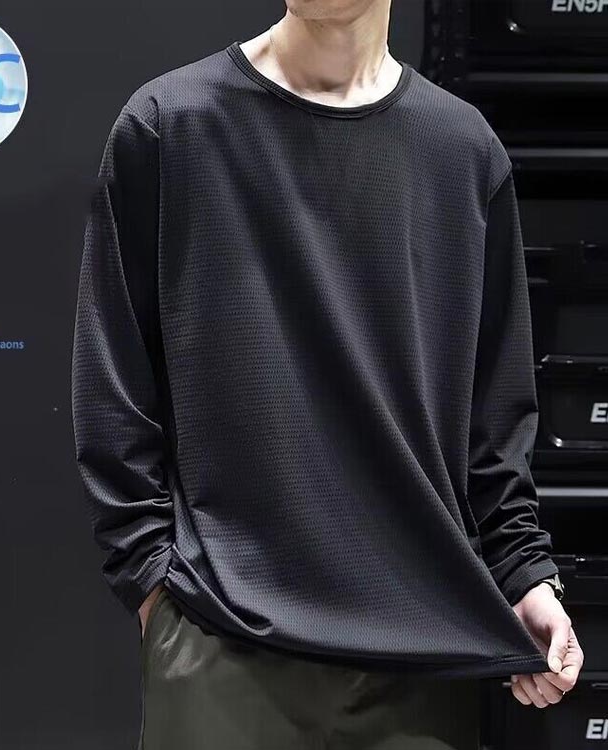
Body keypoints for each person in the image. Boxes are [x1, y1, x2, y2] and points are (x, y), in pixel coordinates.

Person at [70, 1, 584, 747]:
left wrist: (525, 575)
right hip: (223, 642)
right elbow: (115, 385)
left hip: (426, 656)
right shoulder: (171, 124)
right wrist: (155, 584)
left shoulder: (464, 149)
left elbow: (493, 416)